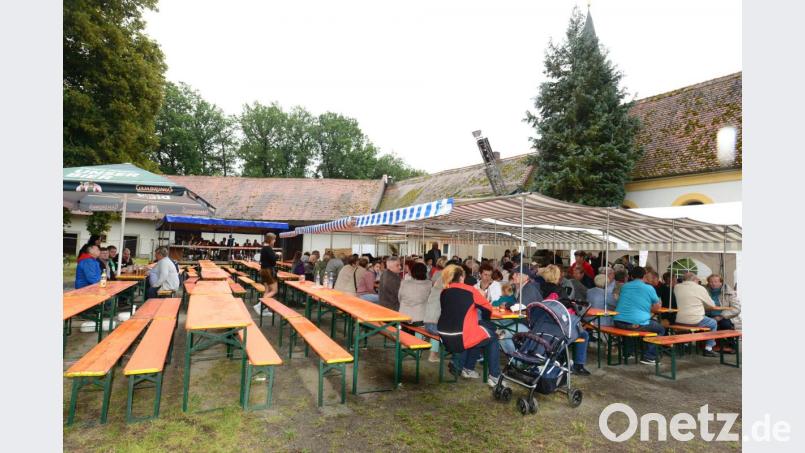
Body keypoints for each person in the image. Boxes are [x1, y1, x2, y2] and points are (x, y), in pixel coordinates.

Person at [437, 265, 502, 387]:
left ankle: (468, 369)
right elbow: (487, 308)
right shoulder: (470, 290)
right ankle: (494, 376)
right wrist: (487, 322)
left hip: (444, 335)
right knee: (492, 337)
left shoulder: (444, 291)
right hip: (461, 337)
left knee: (479, 334)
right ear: (461, 277)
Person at [612, 267, 665, 364]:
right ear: (644, 276)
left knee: (630, 326)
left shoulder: (625, 286)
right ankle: (649, 356)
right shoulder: (649, 288)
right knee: (660, 329)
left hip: (618, 321)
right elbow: (657, 307)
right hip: (637, 324)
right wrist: (648, 309)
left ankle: (628, 353)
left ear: (631, 276)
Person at [673, 272, 723, 357]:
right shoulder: (700, 288)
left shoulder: (676, 287)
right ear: (695, 280)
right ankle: (708, 348)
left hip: (679, 320)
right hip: (694, 321)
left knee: (701, 320)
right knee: (713, 323)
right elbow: (712, 304)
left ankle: (685, 344)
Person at [424, 262, 446, 362]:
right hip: (433, 326)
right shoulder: (445, 292)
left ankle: (418, 352)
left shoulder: (435, 288)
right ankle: (432, 355)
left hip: (426, 322)